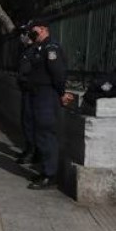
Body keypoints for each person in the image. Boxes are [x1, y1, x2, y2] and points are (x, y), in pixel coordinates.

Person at [25, 20, 70, 190]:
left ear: (44, 30)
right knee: (41, 134)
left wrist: (61, 92)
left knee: (46, 134)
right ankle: (45, 170)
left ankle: (49, 175)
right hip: (39, 95)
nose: (31, 33)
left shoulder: (51, 48)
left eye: (34, 30)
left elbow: (58, 73)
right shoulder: (40, 48)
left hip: (47, 96)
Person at [15, 29, 39, 164]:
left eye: (24, 35)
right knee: (26, 121)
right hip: (26, 90)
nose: (22, 37)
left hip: (32, 90)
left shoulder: (35, 50)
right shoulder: (26, 50)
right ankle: (29, 148)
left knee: (30, 122)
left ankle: (32, 151)